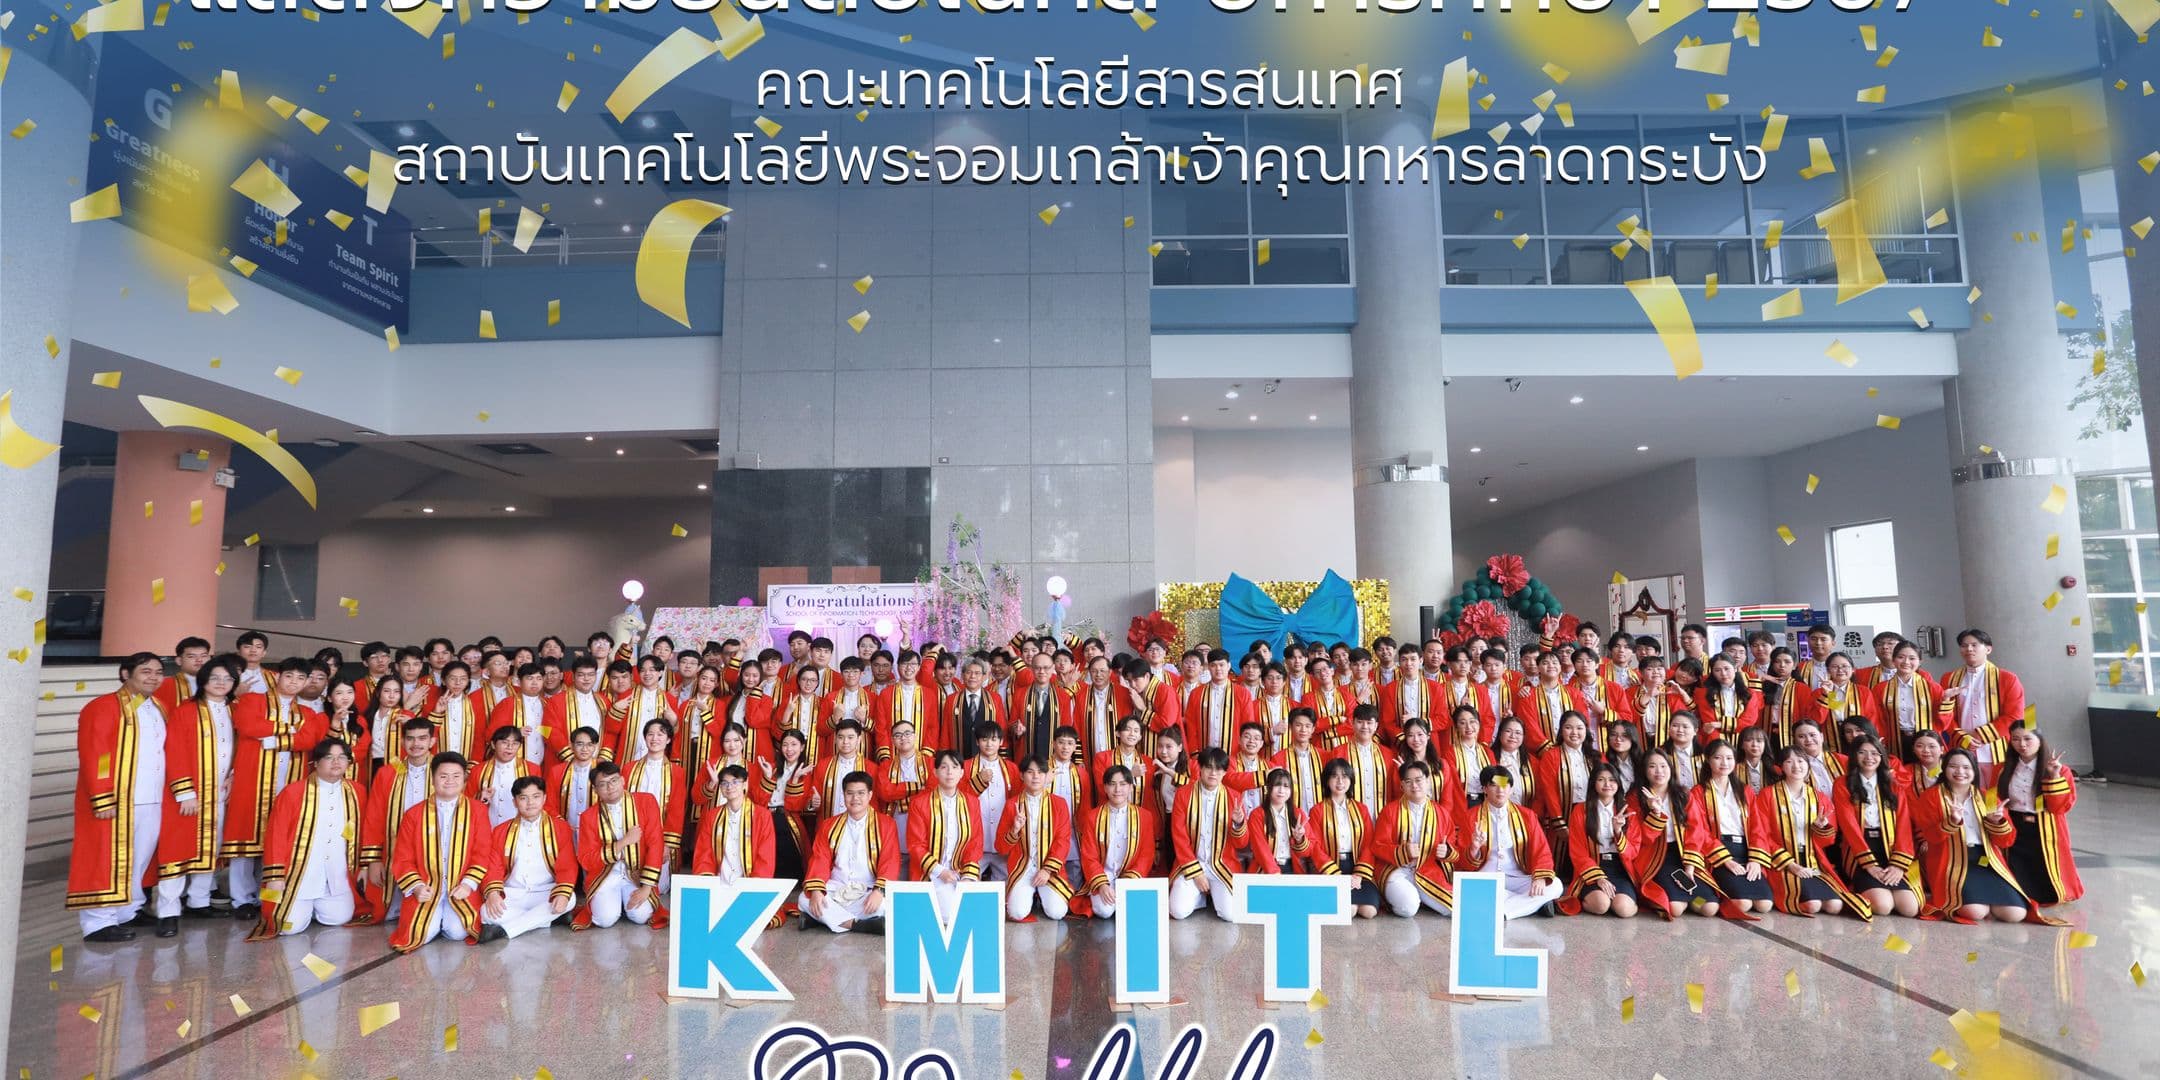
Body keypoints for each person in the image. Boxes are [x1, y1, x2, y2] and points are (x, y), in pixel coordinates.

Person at [68, 654, 170, 942]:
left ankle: (129, 910)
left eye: (158, 672)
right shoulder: (103, 706)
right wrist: (102, 796)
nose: (153, 677)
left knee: (139, 859)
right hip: (118, 798)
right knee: (104, 858)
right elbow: (97, 754)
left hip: (151, 797)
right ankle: (98, 922)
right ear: (126, 673)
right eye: (145, 671)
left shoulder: (158, 706)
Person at [225, 657, 327, 922]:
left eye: (300, 678)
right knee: (245, 845)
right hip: (252, 782)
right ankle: (242, 899)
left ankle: (268, 898)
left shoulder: (307, 713)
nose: (294, 682)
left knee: (278, 842)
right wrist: (289, 730)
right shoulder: (252, 701)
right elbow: (248, 726)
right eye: (289, 676)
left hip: (288, 784)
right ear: (277, 676)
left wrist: (270, 739)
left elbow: (308, 741)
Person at [155, 657, 240, 926]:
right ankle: (168, 911)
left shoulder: (235, 710)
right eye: (215, 678)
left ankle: (199, 901)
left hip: (221, 794)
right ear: (203, 680)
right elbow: (175, 751)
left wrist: (234, 775)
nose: (221, 683)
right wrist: (185, 792)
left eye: (227, 679)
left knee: (212, 847)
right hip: (190, 794)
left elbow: (242, 749)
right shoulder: (186, 711)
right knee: (178, 849)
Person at [1912, 749, 2043, 924]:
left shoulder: (1987, 796)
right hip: (1951, 861)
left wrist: (1997, 822)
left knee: (2016, 914)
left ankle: (1987, 901)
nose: (1960, 772)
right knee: (1975, 912)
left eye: (1966, 767)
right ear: (1944, 769)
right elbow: (1931, 837)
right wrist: (1952, 821)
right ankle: (1981, 903)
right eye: (1953, 766)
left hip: (1986, 860)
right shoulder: (1931, 796)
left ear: (1974, 770)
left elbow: (2006, 841)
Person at [388, 753, 497, 951]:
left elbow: (482, 852)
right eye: (443, 776)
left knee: (457, 932)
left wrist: (468, 884)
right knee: (421, 934)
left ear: (464, 779)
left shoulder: (477, 810)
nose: (450, 781)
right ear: (433, 778)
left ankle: (444, 917)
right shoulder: (414, 814)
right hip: (427, 888)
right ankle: (435, 917)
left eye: (456, 776)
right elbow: (403, 858)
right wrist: (417, 887)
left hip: (460, 887)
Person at [1750, 747, 1871, 919]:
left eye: (1800, 761)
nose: (1796, 766)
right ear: (1781, 767)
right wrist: (1792, 865)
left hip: (1812, 861)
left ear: (1808, 765)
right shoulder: (1767, 795)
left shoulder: (1819, 797)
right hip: (1781, 864)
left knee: (1835, 906)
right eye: (1789, 761)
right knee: (1812, 905)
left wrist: (1821, 828)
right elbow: (1763, 835)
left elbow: (1829, 840)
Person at [476, 775, 578, 940]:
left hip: (545, 892)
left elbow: (567, 866)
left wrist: (562, 894)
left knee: (570, 898)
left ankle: (506, 930)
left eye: (536, 797)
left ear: (544, 798)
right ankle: (549, 919)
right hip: (513, 893)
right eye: (523, 798)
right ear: (515, 802)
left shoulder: (560, 828)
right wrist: (493, 893)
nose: (530, 803)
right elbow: (494, 867)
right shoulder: (501, 831)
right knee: (486, 912)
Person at [1454, 765, 1564, 918]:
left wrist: (1540, 877)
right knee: (1466, 891)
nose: (1500, 790)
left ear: (1511, 789)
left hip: (1516, 878)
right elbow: (1461, 863)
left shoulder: (1527, 815)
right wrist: (1474, 848)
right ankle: (1531, 904)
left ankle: (1504, 912)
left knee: (1555, 885)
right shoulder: (1470, 816)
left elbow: (1541, 850)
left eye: (1505, 785)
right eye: (1494, 785)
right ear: (1484, 789)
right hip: (1485, 877)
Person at [573, 762, 670, 931]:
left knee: (641, 916)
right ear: (595, 790)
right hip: (606, 876)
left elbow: (656, 844)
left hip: (637, 875)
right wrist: (623, 843)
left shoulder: (646, 801)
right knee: (605, 920)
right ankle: (616, 904)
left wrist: (646, 888)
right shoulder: (589, 816)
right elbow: (587, 860)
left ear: (623, 780)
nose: (610, 787)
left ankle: (623, 903)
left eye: (614, 780)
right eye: (603, 784)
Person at [1833, 734, 1921, 919]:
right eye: (1862, 752)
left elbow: (1904, 825)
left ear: (1882, 756)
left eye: (1874, 753)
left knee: (1909, 909)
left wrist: (1898, 865)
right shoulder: (1843, 783)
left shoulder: (1893, 785)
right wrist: (1869, 865)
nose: (1869, 757)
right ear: (1854, 756)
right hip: (1859, 850)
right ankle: (1855, 888)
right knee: (1883, 906)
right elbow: (1849, 827)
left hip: (1890, 849)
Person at [801, 772, 901, 933]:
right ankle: (857, 925)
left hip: (867, 890)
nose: (855, 798)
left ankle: (821, 919)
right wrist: (817, 891)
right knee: (804, 899)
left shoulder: (886, 824)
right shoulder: (829, 825)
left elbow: (891, 861)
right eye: (850, 793)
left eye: (861, 793)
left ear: (870, 795)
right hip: (835, 888)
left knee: (884, 905)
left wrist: (879, 891)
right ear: (844, 795)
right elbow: (820, 859)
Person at [1996, 722, 2082, 907]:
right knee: (2017, 878)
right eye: (2016, 739)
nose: (2022, 744)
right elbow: (1994, 799)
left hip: (2045, 827)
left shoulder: (2061, 770)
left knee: (2048, 878)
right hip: (2014, 826)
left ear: (2040, 740)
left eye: (2028, 739)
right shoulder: (2002, 769)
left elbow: (2060, 808)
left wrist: (2053, 776)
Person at [1630, 750, 1719, 919]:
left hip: (1683, 856)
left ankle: (1691, 902)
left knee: (1709, 907)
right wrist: (1655, 813)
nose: (1659, 771)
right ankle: (1681, 901)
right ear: (1644, 770)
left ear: (1671, 768)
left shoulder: (1683, 794)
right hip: (1655, 858)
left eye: (1663, 766)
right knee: (1675, 908)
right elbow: (1642, 839)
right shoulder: (1636, 798)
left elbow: (1696, 831)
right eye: (1652, 766)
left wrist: (1689, 868)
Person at [1696, 739, 1775, 915]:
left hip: (1745, 851)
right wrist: (1726, 860)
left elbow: (1757, 827)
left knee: (1765, 904)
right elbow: (1701, 832)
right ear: (1708, 760)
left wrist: (1755, 860)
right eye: (1718, 758)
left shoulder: (1744, 791)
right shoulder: (1699, 792)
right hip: (1718, 853)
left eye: (1729, 758)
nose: (1724, 763)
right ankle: (1713, 899)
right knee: (1742, 904)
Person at [1168, 747, 1248, 921]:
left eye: (1218, 769)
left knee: (1231, 915)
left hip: (1221, 865)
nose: (1213, 773)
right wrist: (1196, 873)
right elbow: (1179, 837)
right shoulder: (1183, 794)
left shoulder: (1234, 797)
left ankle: (1210, 894)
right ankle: (1201, 896)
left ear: (1225, 772)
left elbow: (1241, 843)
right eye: (1209, 767)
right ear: (1200, 768)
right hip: (1191, 863)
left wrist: (1238, 823)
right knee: (1177, 911)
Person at [907, 750, 987, 921]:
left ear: (962, 773)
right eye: (944, 767)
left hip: (961, 871)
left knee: (977, 912)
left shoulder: (972, 802)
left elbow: (975, 842)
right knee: (949, 916)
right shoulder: (919, 803)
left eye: (955, 767)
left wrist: (968, 877)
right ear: (935, 772)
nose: (950, 772)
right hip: (931, 872)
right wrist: (940, 871)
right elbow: (915, 846)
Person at [1936, 629, 2024, 783]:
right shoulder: (1948, 678)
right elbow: (1945, 716)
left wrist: (1981, 735)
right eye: (1964, 645)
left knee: (1994, 793)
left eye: (1974, 645)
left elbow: (2014, 716)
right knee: (1964, 791)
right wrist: (1962, 738)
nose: (1969, 649)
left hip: (1995, 749)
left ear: (1988, 649)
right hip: (1961, 747)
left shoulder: (2007, 678)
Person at [996, 757, 1072, 921]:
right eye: (1030, 772)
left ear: (1046, 776)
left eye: (1040, 772)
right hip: (1022, 868)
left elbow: (1063, 841)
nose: (1036, 776)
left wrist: (1047, 870)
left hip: (1049, 870)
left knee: (1057, 912)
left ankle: (1040, 896)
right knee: (1016, 913)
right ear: (1022, 776)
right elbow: (1000, 847)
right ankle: (1030, 896)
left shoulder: (1059, 804)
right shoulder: (1012, 804)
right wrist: (1015, 830)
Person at [1560, 763, 1639, 918]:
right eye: (1601, 779)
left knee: (1624, 909)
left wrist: (1618, 831)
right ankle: (1594, 898)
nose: (1607, 784)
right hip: (1593, 865)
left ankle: (1623, 901)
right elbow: (1578, 851)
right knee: (1601, 905)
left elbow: (1633, 852)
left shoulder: (1628, 812)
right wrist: (1599, 878)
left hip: (1620, 868)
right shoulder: (1580, 810)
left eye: (1612, 780)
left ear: (1618, 783)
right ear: (1593, 784)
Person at [1079, 765, 1157, 919]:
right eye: (1112, 784)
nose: (1117, 789)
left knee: (1131, 911)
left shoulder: (1144, 816)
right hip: (1104, 875)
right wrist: (1102, 885)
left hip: (1131, 876)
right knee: (1104, 911)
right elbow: (1089, 856)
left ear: (1131, 787)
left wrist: (1129, 882)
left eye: (1123, 784)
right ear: (1105, 788)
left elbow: (1146, 855)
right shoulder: (1093, 817)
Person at [1532, 711, 1594, 885]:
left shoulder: (1595, 756)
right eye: (1568, 728)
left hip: (1588, 813)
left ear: (1586, 730)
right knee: (1559, 863)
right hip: (1562, 812)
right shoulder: (1552, 755)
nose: (1574, 732)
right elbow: (1549, 791)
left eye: (1579, 728)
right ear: (1561, 731)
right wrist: (1558, 821)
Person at [625, 719, 689, 884]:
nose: (654, 739)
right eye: (650, 734)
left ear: (668, 739)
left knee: (658, 886)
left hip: (660, 836)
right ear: (645, 737)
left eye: (660, 735)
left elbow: (676, 811)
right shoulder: (629, 768)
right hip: (633, 833)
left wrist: (667, 844)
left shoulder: (677, 772)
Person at [692, 766, 778, 886]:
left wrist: (754, 887)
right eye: (724, 783)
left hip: (749, 886)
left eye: (735, 782)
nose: (729, 787)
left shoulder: (762, 816)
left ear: (745, 784)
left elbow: (766, 856)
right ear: (720, 788)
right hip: (720, 883)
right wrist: (708, 884)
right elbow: (704, 854)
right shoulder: (712, 816)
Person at [1867, 640, 1940, 763]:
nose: (1906, 662)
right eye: (1901, 657)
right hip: (1894, 739)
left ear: (1920, 662)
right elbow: (1877, 719)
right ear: (1894, 660)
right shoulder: (1880, 689)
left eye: (1912, 658)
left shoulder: (1932, 687)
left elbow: (1941, 720)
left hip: (1924, 739)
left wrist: (1947, 700)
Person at [1329, 704, 1399, 818]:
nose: (1365, 726)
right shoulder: (1338, 753)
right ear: (1352, 723)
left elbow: (1394, 789)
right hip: (1349, 817)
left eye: (1369, 723)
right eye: (1360, 722)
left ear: (1376, 726)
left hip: (1382, 816)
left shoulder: (1388, 754)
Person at [491, 662, 565, 770]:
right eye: (530, 678)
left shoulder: (549, 704)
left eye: (539, 678)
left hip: (543, 763)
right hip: (515, 764)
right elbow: (492, 734)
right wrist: (516, 733)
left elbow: (555, 732)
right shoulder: (507, 704)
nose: (535, 683)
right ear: (519, 681)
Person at [1242, 769, 1310, 874]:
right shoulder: (1257, 815)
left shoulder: (1298, 813)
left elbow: (1308, 851)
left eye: (1286, 786)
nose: (1281, 790)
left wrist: (1300, 839)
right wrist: (1274, 873)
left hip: (1292, 868)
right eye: (1277, 785)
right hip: (1264, 870)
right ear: (1268, 788)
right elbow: (1260, 848)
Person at [1510, 651, 1580, 750]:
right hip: (1541, 752)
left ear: (1560, 667)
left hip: (1572, 749)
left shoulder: (1575, 694)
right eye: (1545, 663)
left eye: (1555, 663)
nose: (1551, 666)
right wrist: (1549, 750)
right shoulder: (1528, 696)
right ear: (1538, 668)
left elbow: (1581, 721)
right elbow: (1529, 726)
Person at [469, 725, 535, 828]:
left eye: (515, 743)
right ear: (493, 744)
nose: (510, 747)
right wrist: (480, 797)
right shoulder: (478, 770)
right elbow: (466, 800)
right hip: (487, 828)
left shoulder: (532, 769)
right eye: (504, 742)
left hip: (519, 830)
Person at [1693, 656, 1758, 746]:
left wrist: (1720, 724)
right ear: (1712, 673)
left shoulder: (1749, 693)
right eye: (1717, 670)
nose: (1723, 673)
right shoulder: (1704, 694)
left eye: (1727, 669)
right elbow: (1709, 722)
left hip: (1743, 740)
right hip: (1715, 740)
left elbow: (1749, 721)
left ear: (1735, 669)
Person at [153, 636, 215, 718]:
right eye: (192, 656)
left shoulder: (220, 685)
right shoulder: (162, 684)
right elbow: (136, 708)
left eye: (204, 656)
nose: (199, 660)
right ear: (179, 661)